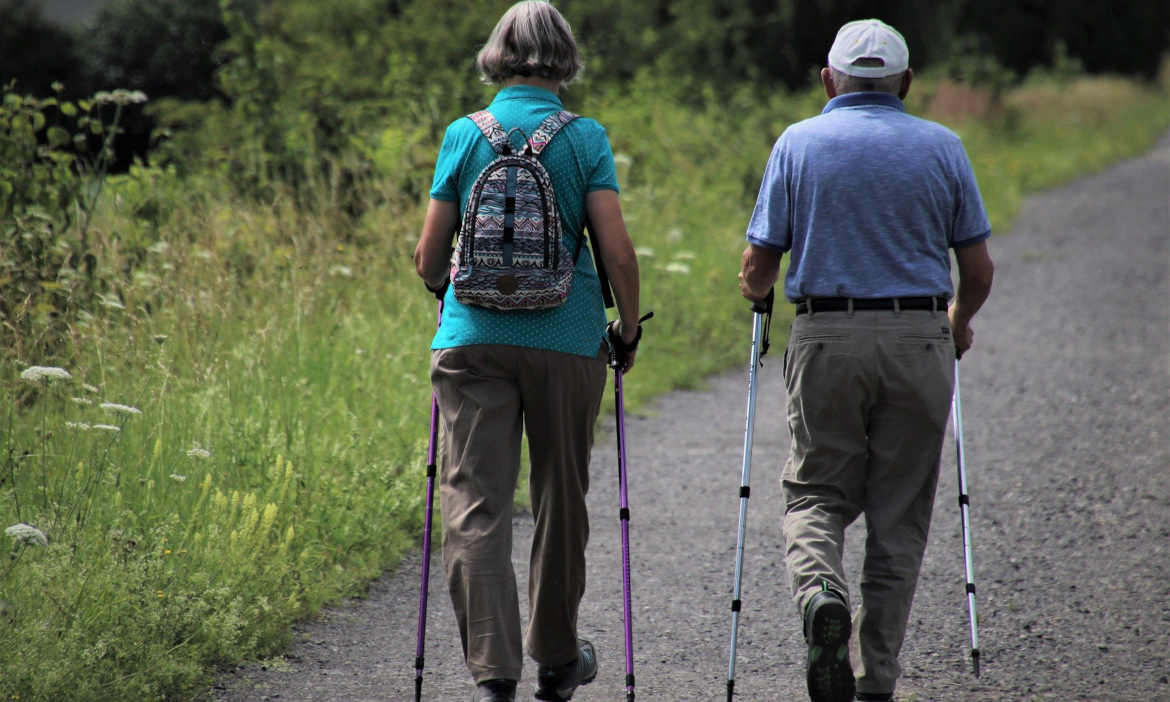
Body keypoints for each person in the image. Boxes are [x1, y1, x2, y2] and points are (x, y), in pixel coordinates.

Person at [737, 19, 995, 702]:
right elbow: (977, 267)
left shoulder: (798, 142)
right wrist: (958, 322)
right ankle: (874, 677)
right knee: (899, 514)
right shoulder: (944, 147)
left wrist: (755, 291)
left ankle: (821, 589)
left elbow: (760, 264)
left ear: (829, 80)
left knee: (817, 492)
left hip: (827, 336)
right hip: (918, 338)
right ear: (906, 83)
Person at [413, 3, 643, 701]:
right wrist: (625, 329)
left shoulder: (462, 134)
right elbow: (617, 252)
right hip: (567, 340)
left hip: (473, 342)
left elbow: (429, 257)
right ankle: (556, 660)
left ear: (497, 55)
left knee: (475, 505)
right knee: (559, 498)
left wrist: (447, 294)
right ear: (564, 58)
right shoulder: (585, 138)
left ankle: (494, 673)